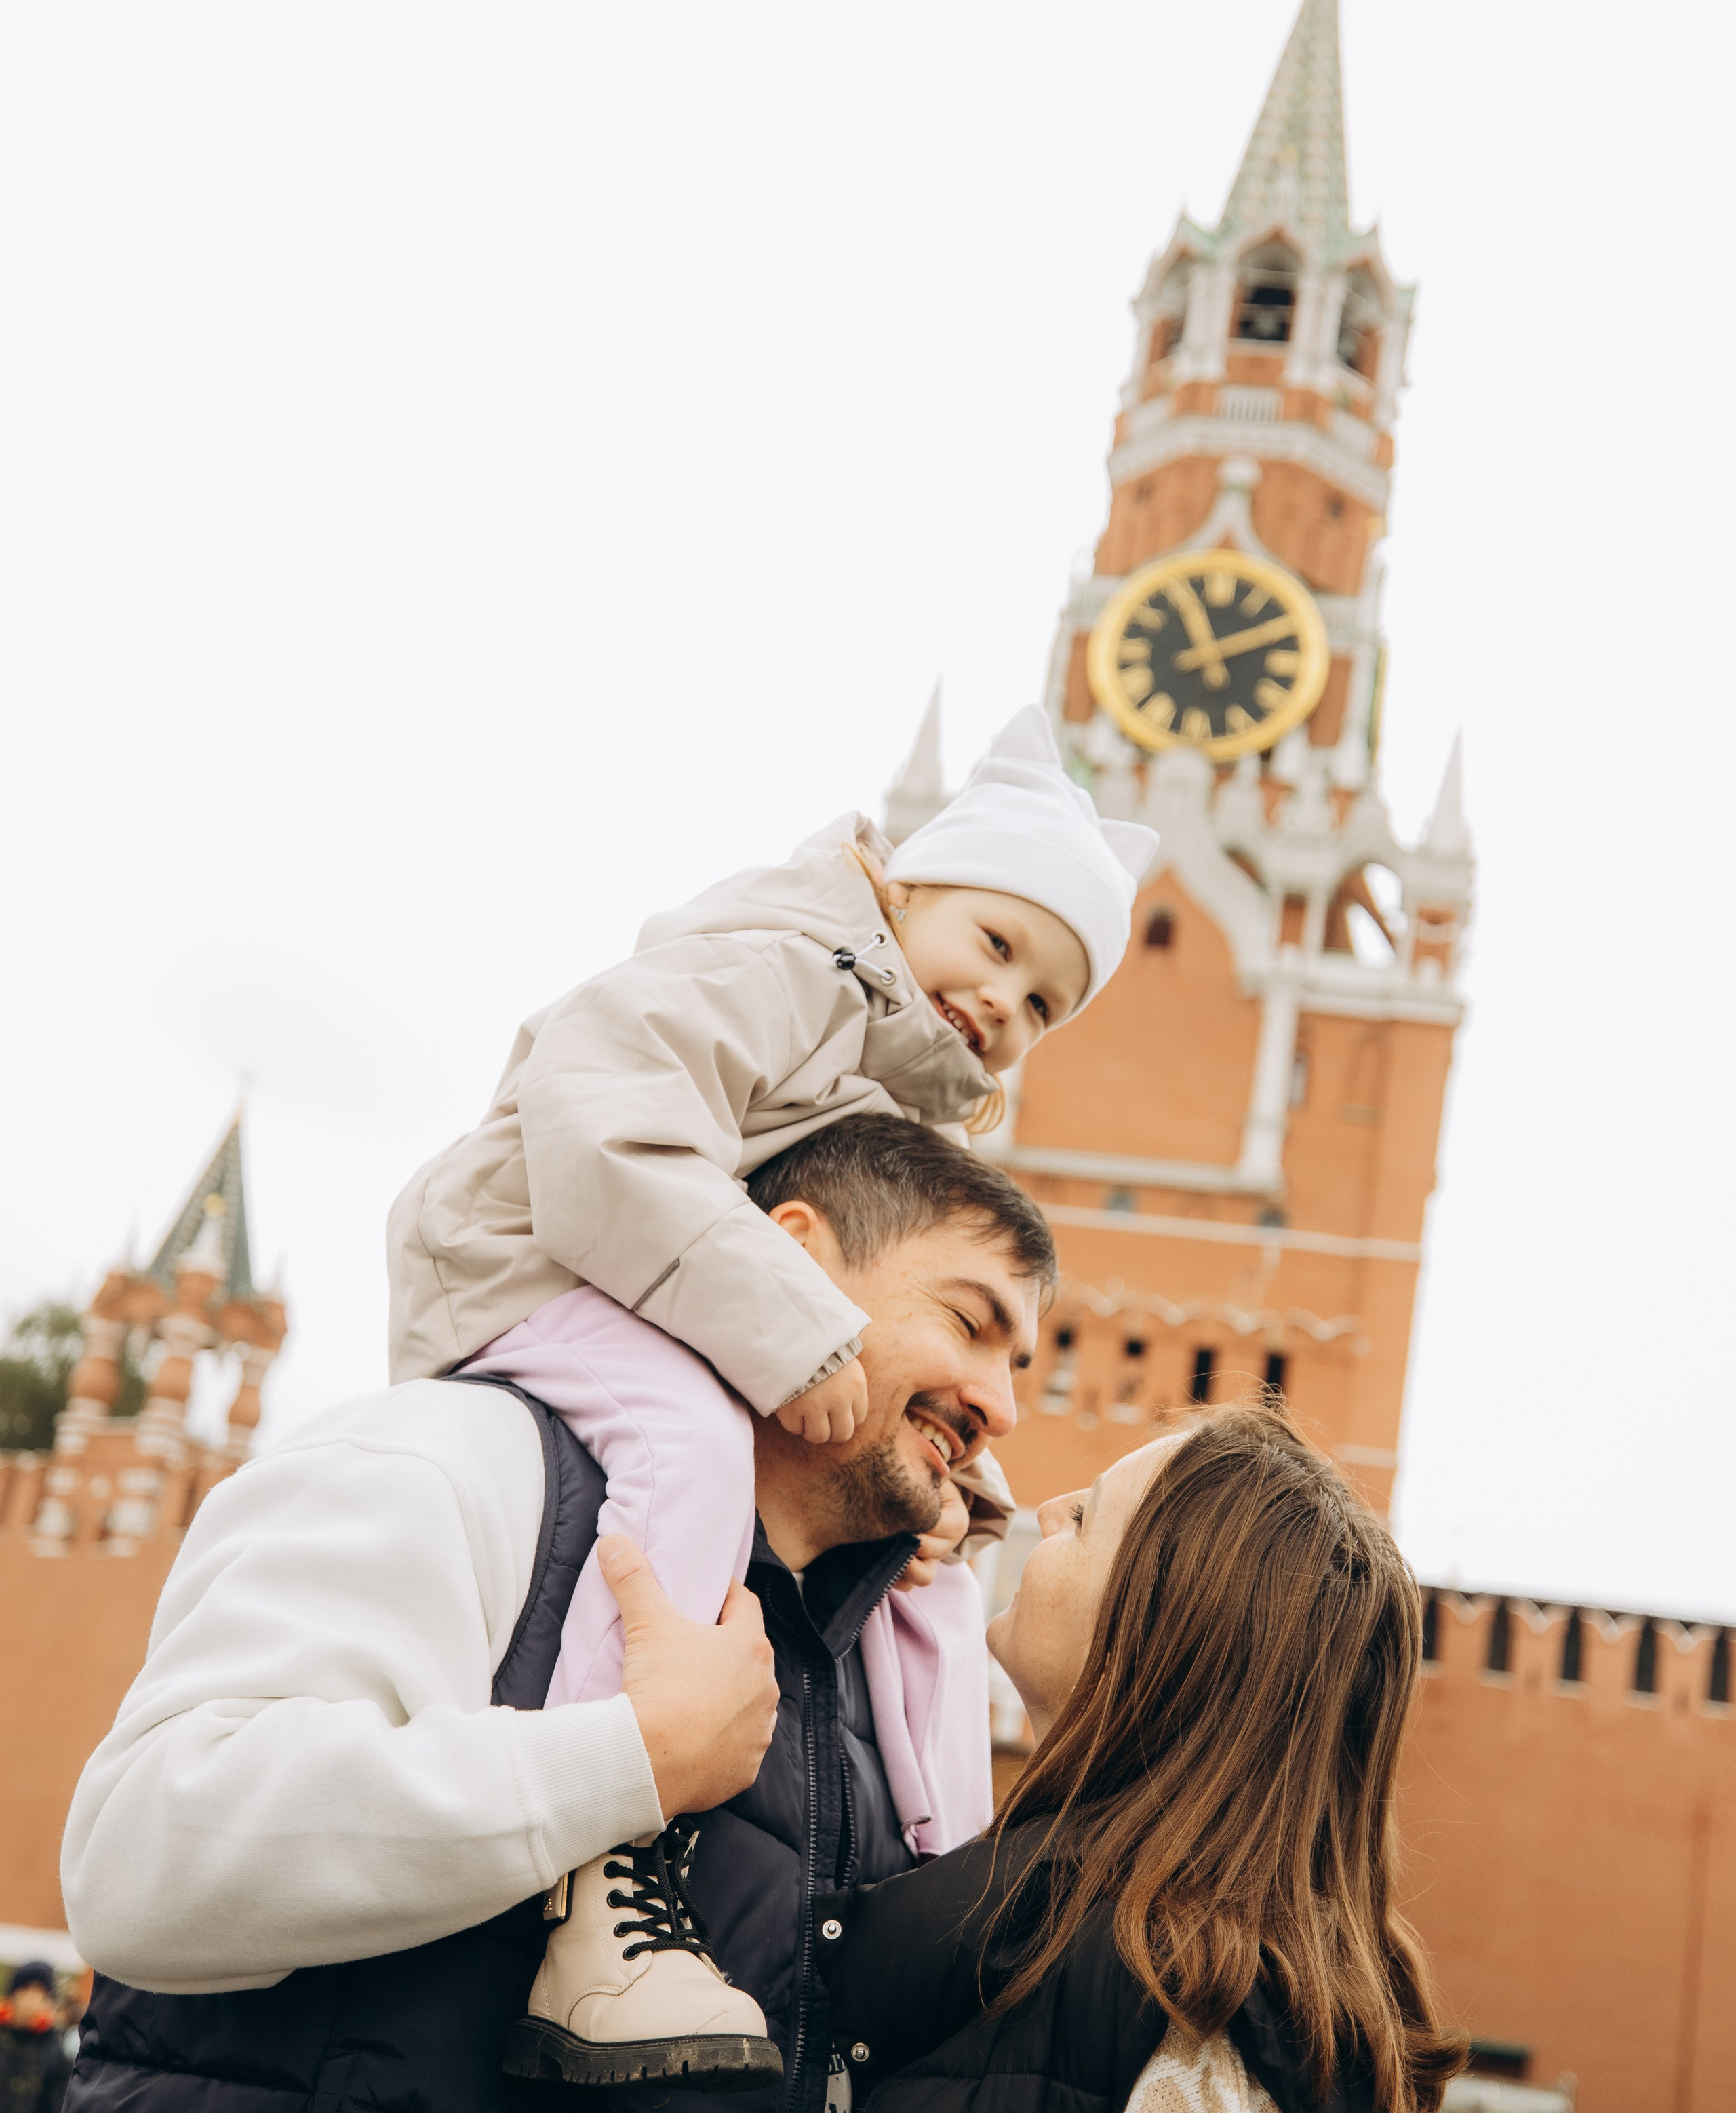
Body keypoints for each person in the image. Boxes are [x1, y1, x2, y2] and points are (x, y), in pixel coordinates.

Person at [387, 704, 1154, 2067]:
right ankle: (598, 1869)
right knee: (686, 1437)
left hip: (650, 1283)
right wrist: (799, 1335)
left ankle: (933, 1868)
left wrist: (949, 1479)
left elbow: (865, 1281)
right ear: (905, 881)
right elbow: (599, 1126)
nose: (1002, 1004)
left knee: (922, 1567)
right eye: (994, 943)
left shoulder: (893, 1074)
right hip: (531, 1253)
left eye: (1040, 1001)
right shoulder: (781, 962)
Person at [60, 1116, 1053, 2113]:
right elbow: (140, 1862)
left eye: (1020, 1363)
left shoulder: (889, 1673)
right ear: (791, 1258)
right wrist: (627, 1762)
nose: (1002, 1407)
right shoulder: (459, 1456)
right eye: (971, 1324)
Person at [816, 1405, 1466, 2113]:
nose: (1053, 1508)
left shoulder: (1172, 2016)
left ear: (1156, 1637)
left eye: (1088, 1516)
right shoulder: (1119, 1953)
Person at [0, 1963, 70, 2113]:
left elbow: (57, 2100)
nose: (31, 1998)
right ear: (14, 1992)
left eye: (39, 1992)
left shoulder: (52, 2045)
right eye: (25, 1989)